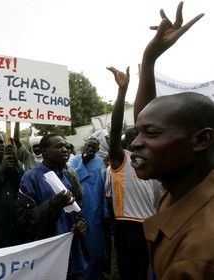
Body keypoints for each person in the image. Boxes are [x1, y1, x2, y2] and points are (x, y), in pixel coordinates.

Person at [134, 3, 212, 279]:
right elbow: (149, 120)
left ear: (201, 140)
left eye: (150, 134)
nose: (134, 143)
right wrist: (150, 58)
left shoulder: (198, 255)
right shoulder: (183, 185)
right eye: (138, 133)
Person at [106, 66, 162, 280]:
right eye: (133, 138)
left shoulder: (154, 162)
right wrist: (122, 91)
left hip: (153, 225)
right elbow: (114, 129)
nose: (139, 142)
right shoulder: (121, 160)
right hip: (127, 227)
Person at [16, 133, 88, 280]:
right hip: (48, 256)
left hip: (73, 252)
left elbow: (78, 211)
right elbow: (24, 220)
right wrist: (52, 205)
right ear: (45, 151)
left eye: (67, 146)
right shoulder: (30, 178)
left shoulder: (70, 175)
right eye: (59, 146)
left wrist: (82, 224)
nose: (65, 149)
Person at [71, 138, 108, 279]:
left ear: (98, 149)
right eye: (88, 146)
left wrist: (105, 213)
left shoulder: (102, 163)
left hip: (95, 212)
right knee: (78, 248)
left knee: (95, 249)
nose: (90, 149)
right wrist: (83, 162)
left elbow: (105, 189)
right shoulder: (75, 161)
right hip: (78, 210)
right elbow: (72, 179)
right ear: (84, 145)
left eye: (94, 147)